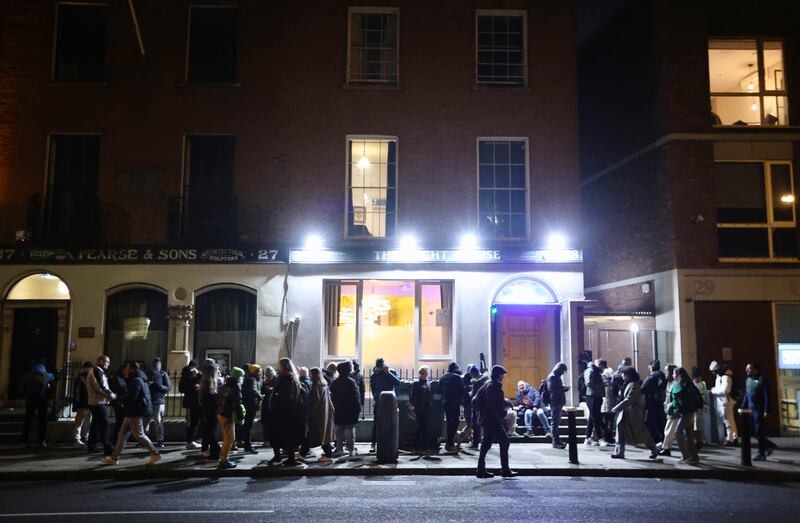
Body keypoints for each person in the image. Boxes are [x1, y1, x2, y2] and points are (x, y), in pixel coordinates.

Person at [103, 362, 161, 466]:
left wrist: (119, 399)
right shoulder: (139, 379)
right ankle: (114, 457)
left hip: (135, 411)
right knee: (122, 435)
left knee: (139, 435)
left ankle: (155, 453)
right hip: (132, 411)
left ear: (132, 369)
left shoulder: (136, 380)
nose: (125, 370)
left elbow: (132, 397)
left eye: (127, 368)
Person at [475, 365, 517, 478]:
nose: (503, 376)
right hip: (492, 420)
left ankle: (481, 469)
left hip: (487, 419)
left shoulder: (487, 385)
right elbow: (492, 405)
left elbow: (476, 399)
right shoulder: (494, 387)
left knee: (486, 443)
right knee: (504, 441)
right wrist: (502, 414)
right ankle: (505, 470)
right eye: (502, 374)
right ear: (498, 375)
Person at [610, 367, 659, 460]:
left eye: (623, 374)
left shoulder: (634, 385)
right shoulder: (628, 384)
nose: (622, 376)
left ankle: (654, 449)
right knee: (620, 432)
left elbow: (629, 399)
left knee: (641, 432)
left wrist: (617, 407)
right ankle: (619, 452)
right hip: (625, 413)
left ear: (628, 375)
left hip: (632, 413)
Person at [270, 357, 306, 465]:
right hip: (291, 411)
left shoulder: (285, 378)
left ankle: (284, 457)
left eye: (280, 365)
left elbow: (282, 395)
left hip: (283, 411)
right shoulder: (293, 377)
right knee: (289, 435)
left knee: (281, 434)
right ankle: (288, 457)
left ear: (283, 366)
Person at [742, 363, 777, 461]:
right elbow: (746, 395)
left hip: (759, 410)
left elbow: (767, 396)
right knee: (752, 431)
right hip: (750, 410)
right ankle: (769, 445)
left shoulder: (762, 381)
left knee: (759, 431)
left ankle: (761, 454)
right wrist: (743, 408)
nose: (747, 370)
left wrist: (767, 410)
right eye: (747, 368)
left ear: (756, 370)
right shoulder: (748, 381)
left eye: (749, 368)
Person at [302, 367, 335, 462]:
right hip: (325, 414)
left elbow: (314, 402)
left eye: (311, 374)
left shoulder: (315, 387)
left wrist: (310, 414)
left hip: (318, 415)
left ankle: (303, 453)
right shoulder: (324, 385)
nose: (309, 376)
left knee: (313, 434)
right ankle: (303, 453)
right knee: (323, 435)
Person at [86, 355, 117, 456]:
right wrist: (111, 394)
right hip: (98, 403)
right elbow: (100, 387)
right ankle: (108, 448)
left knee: (95, 425)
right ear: (101, 361)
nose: (108, 364)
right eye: (107, 362)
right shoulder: (97, 371)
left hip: (96, 402)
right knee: (104, 425)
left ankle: (91, 446)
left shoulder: (97, 371)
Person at [368, 358, 401, 452]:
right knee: (376, 423)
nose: (380, 370)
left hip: (390, 403)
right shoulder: (374, 376)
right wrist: (376, 397)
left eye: (381, 367)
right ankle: (373, 443)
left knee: (392, 423)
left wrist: (389, 373)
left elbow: (398, 383)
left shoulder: (391, 372)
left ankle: (392, 443)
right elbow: (373, 388)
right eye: (378, 368)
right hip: (379, 402)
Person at [329, 360, 361, 457]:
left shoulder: (334, 383)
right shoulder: (351, 382)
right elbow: (356, 398)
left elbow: (332, 397)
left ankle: (339, 449)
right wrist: (357, 410)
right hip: (350, 410)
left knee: (339, 430)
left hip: (338, 410)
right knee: (350, 430)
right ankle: (351, 450)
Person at [20, 360, 54, 448]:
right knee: (42, 421)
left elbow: (22, 388)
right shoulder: (48, 375)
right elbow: (52, 384)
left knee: (28, 421)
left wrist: (25, 396)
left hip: (30, 400)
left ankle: (24, 441)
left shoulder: (27, 375)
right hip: (43, 401)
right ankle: (41, 441)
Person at [216, 367, 245, 468]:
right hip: (227, 414)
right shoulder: (236, 386)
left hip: (221, 413)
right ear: (238, 377)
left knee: (227, 437)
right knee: (230, 438)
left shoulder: (225, 385)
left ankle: (223, 458)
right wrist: (240, 416)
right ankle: (224, 460)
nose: (242, 378)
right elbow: (237, 403)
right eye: (241, 376)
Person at [670, 367, 700, 464]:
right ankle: (694, 457)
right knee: (688, 434)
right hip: (688, 411)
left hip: (686, 412)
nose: (673, 375)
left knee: (678, 432)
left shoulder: (681, 385)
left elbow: (677, 399)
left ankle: (686, 456)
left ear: (679, 375)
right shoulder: (688, 384)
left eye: (674, 374)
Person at [710, 361, 738, 445]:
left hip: (725, 402)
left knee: (728, 421)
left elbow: (726, 390)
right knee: (730, 420)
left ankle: (730, 439)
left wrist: (714, 391)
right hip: (725, 401)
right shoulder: (722, 376)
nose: (713, 373)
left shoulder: (725, 377)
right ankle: (734, 437)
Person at [439, 362, 465, 451]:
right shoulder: (456, 377)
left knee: (450, 421)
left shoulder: (442, 377)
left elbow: (439, 390)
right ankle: (450, 442)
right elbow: (462, 390)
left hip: (445, 403)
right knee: (456, 421)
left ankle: (450, 442)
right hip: (454, 403)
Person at [641, 359, 667, 444]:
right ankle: (662, 440)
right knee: (660, 423)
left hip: (651, 403)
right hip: (660, 402)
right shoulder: (662, 376)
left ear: (651, 367)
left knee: (649, 422)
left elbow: (642, 389)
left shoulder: (651, 377)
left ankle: (655, 441)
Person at [583, 358, 608, 446]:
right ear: (600, 365)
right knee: (596, 417)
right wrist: (602, 384)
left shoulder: (596, 371)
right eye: (603, 367)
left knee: (592, 417)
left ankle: (588, 438)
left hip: (597, 396)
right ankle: (600, 438)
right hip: (592, 396)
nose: (603, 369)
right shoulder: (590, 370)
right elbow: (588, 383)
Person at [198, 363, 221, 461]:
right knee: (210, 432)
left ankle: (215, 451)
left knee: (209, 431)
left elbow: (203, 399)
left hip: (208, 410)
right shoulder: (212, 382)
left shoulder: (207, 381)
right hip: (212, 411)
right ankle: (216, 452)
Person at [147, 357, 170, 448]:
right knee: (147, 421)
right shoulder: (149, 373)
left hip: (158, 400)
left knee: (158, 421)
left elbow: (168, 388)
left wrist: (158, 386)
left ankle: (160, 440)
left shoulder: (163, 374)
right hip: (151, 399)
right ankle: (145, 439)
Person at [410, 366, 433, 453]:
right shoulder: (416, 384)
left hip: (425, 408)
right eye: (427, 372)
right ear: (425, 373)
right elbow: (413, 397)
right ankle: (423, 446)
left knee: (422, 427)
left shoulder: (427, 383)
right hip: (420, 408)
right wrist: (419, 405)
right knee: (422, 427)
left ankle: (418, 446)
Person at [180, 360, 202, 450]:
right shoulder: (186, 375)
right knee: (191, 422)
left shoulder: (194, 375)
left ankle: (196, 439)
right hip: (191, 402)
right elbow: (182, 388)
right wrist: (194, 383)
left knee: (197, 421)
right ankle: (189, 441)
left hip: (197, 402)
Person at [546, 362, 569, 449]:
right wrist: (562, 388)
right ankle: (555, 442)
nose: (563, 373)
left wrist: (563, 388)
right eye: (563, 371)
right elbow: (551, 389)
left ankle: (557, 440)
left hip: (558, 401)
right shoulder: (552, 376)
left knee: (557, 422)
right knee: (555, 422)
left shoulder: (556, 376)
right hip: (555, 401)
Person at [241, 364, 263, 454]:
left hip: (249, 405)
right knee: (248, 426)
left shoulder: (251, 379)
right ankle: (248, 446)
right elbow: (253, 391)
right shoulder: (252, 380)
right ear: (255, 372)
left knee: (247, 426)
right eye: (259, 371)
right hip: (250, 405)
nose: (261, 373)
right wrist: (261, 397)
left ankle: (247, 445)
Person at [658, 364, 678, 455]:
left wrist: (669, 406)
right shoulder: (669, 382)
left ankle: (666, 448)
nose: (665, 373)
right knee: (676, 430)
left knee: (669, 429)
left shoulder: (675, 383)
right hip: (670, 410)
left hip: (673, 411)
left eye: (667, 371)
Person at [72, 361, 94, 446]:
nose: (91, 370)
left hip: (89, 403)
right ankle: (77, 438)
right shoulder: (81, 378)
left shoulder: (90, 377)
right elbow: (77, 391)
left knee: (88, 421)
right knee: (79, 421)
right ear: (87, 368)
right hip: (82, 403)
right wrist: (77, 404)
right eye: (90, 368)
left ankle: (85, 437)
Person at [467, 364, 488, 449]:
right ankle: (481, 441)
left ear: (473, 373)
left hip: (476, 406)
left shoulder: (476, 382)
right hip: (483, 405)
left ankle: (475, 443)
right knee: (481, 425)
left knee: (475, 425)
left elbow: (473, 395)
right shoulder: (484, 380)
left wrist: (469, 392)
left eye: (471, 374)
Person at [260, 366, 278, 460]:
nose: (268, 376)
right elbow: (262, 390)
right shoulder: (265, 381)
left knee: (271, 424)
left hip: (272, 405)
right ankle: (266, 440)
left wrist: (270, 389)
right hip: (266, 405)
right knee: (265, 423)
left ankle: (271, 441)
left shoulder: (275, 381)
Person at [107, 363, 127, 445]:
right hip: (118, 402)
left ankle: (116, 441)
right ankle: (115, 441)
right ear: (123, 369)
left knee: (120, 422)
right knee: (120, 422)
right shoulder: (117, 377)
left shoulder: (120, 377)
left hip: (119, 402)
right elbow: (121, 388)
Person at [600, 366, 617, 444]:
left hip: (605, 406)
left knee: (605, 423)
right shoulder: (612, 384)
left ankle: (606, 437)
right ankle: (608, 437)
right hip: (611, 406)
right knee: (610, 422)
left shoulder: (603, 384)